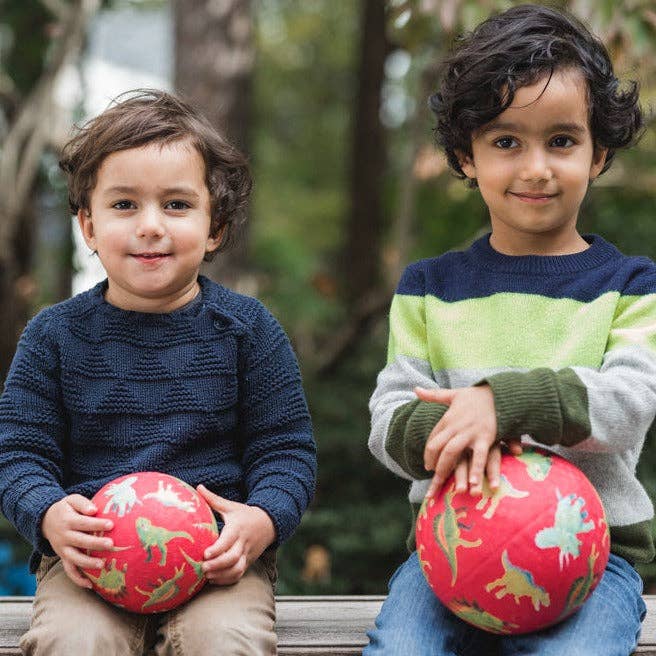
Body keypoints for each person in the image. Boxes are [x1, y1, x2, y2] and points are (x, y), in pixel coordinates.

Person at [365, 4, 654, 655]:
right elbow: (387, 417)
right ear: (465, 156)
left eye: (561, 140)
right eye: (505, 142)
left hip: (591, 557)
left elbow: (629, 404)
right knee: (402, 648)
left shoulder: (632, 286)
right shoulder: (427, 287)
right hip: (452, 547)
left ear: (599, 151)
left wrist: (502, 404)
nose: (536, 167)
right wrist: (454, 424)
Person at [0, 89, 316, 655]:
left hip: (218, 564)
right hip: (90, 566)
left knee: (225, 642)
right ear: (88, 227)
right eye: (124, 205)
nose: (150, 226)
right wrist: (47, 512)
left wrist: (263, 520)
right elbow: (17, 452)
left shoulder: (248, 331)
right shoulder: (53, 336)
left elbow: (286, 451)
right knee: (74, 642)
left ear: (214, 226)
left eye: (176, 204)